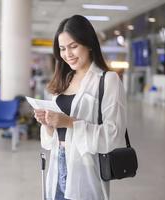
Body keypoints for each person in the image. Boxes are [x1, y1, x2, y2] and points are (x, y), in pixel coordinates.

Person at [34, 15, 127, 200]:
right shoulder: (63, 80)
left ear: (89, 44)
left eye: (73, 46)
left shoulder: (107, 80)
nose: (67, 54)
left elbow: (113, 135)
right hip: (57, 164)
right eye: (62, 48)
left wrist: (69, 122)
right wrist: (48, 123)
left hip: (85, 170)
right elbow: (48, 142)